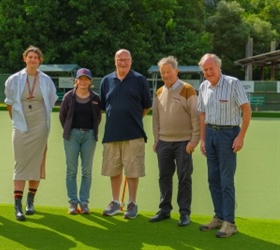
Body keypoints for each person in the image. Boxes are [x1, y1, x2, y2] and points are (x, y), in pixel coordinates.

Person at [197, 53, 251, 238]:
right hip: (210, 134)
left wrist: (241, 137)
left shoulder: (232, 83)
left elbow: (246, 110)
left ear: (219, 67)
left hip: (228, 135)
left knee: (226, 180)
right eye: (205, 69)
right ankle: (218, 217)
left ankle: (230, 222)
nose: (208, 72)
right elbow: (202, 114)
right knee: (213, 179)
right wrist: (203, 140)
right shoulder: (203, 86)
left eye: (211, 68)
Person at [4, 45, 58, 221]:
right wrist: (16, 121)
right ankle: (17, 205)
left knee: (37, 162)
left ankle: (30, 202)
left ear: (40, 60)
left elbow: (51, 100)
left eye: (36, 57)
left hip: (39, 123)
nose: (33, 60)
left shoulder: (46, 80)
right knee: (20, 163)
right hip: (21, 122)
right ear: (25, 59)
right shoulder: (14, 79)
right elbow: (9, 102)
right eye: (30, 57)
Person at [100, 49, 152, 219]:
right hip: (112, 134)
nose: (123, 62)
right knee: (113, 170)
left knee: (132, 170)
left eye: (126, 59)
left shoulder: (139, 80)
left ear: (131, 61)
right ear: (115, 61)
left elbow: (146, 106)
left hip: (133, 133)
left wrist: (133, 118)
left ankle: (132, 203)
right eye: (119, 59)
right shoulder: (106, 81)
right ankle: (115, 202)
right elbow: (104, 106)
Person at [149, 56, 200, 226]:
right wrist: (157, 140)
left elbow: (196, 117)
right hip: (163, 142)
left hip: (184, 142)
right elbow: (155, 119)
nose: (165, 75)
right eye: (162, 72)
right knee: (164, 177)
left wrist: (194, 140)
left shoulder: (188, 89)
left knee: (184, 178)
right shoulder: (159, 92)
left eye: (168, 72)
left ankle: (184, 213)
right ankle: (164, 210)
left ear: (176, 71)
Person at [59, 68, 102, 215]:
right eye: (81, 79)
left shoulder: (95, 98)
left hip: (89, 136)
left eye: (86, 79)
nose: (83, 81)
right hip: (72, 136)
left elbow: (98, 118)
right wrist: (69, 130)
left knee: (86, 171)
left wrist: (91, 132)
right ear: (76, 81)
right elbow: (62, 117)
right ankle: (72, 203)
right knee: (71, 171)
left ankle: (84, 203)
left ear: (90, 81)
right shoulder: (68, 97)